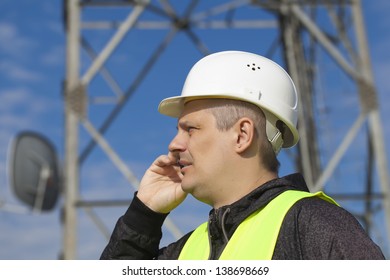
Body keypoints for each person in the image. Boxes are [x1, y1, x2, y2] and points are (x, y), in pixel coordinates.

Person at [100, 50, 385, 260]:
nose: (174, 144)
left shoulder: (314, 226)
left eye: (191, 129)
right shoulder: (185, 252)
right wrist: (144, 214)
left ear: (242, 135)